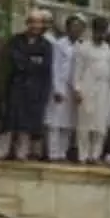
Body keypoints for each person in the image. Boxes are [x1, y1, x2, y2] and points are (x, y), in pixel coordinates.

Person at [0, 9, 52, 161]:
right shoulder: (16, 41)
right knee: (8, 121)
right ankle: (2, 151)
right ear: (27, 23)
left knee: (27, 124)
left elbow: (45, 68)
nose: (35, 26)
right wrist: (31, 62)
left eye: (38, 23)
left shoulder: (46, 46)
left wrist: (28, 63)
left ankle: (22, 153)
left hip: (34, 90)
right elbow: (14, 61)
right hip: (15, 86)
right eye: (32, 22)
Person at [45, 14, 84, 162]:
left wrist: (77, 89)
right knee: (55, 122)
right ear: (68, 28)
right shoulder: (59, 44)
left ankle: (62, 153)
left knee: (68, 123)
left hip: (73, 87)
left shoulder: (80, 46)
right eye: (74, 27)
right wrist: (57, 89)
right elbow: (54, 66)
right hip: (59, 85)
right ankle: (53, 154)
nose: (77, 30)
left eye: (79, 28)